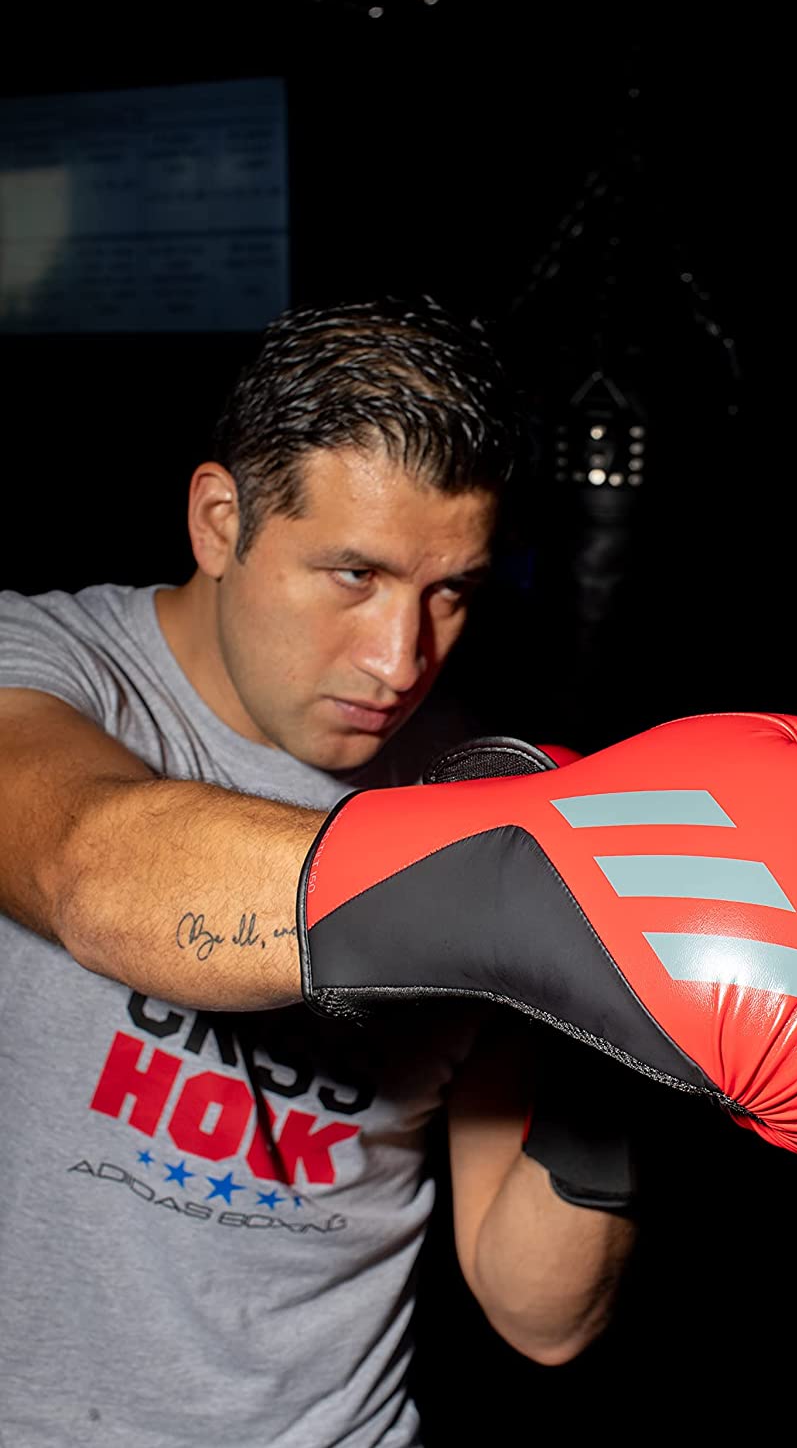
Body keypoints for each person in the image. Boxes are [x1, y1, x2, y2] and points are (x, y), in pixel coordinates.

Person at [0, 297, 638, 1447]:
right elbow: (96, 872)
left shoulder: (485, 791)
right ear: (216, 520)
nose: (401, 659)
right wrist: (529, 896)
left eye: (452, 591)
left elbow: (537, 1315)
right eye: (354, 574)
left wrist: (629, 1028)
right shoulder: (42, 667)